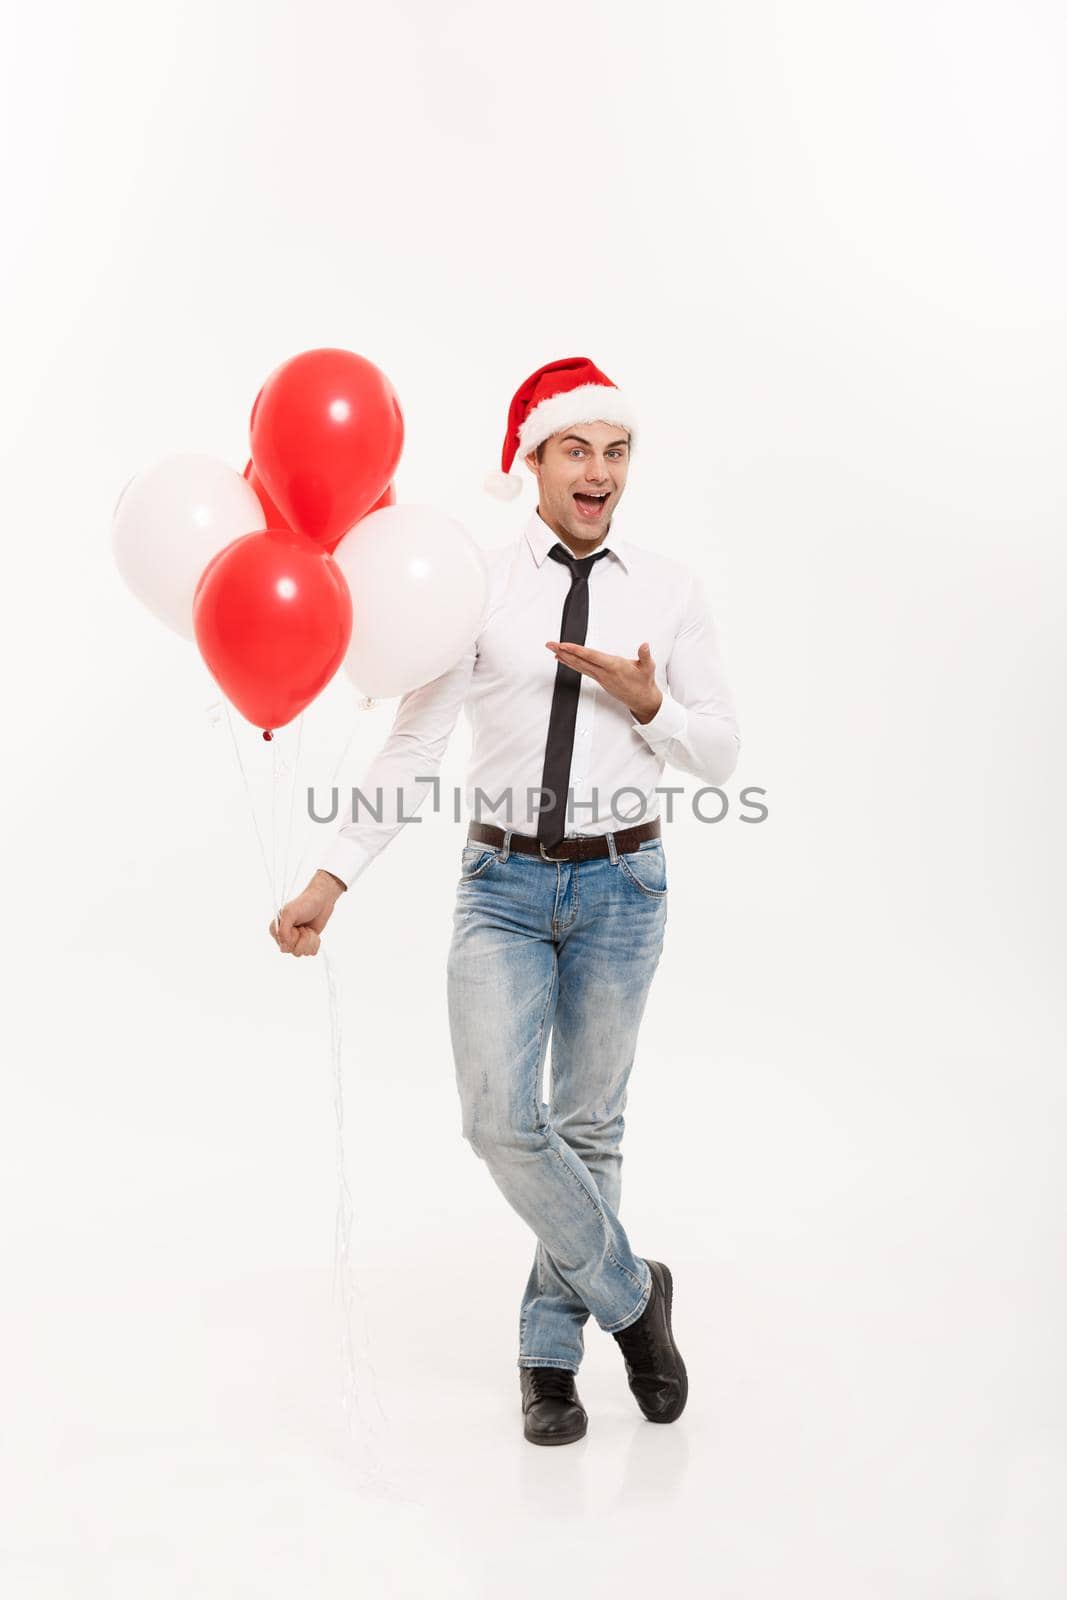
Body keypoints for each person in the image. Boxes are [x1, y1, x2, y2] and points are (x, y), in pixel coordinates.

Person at [270, 356, 742, 1446]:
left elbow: (721, 754)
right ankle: (634, 1298)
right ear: (530, 462)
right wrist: (329, 875)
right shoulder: (474, 588)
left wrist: (651, 702)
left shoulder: (668, 590)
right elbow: (415, 744)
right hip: (503, 885)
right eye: (575, 448)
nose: (599, 471)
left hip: (625, 882)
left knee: (586, 1123)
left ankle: (547, 1353)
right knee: (498, 1120)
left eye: (615, 450)